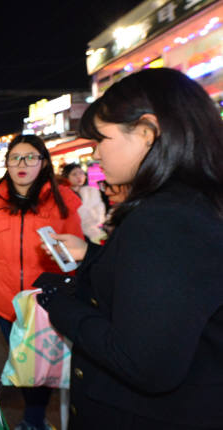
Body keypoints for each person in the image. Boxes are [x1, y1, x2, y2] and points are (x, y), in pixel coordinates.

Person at [37, 68, 223, 429]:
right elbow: (169, 291)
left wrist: (59, 305)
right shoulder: (193, 204)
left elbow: (146, 364)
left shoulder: (167, 219)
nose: (94, 154)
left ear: (146, 133)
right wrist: (92, 255)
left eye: (101, 140)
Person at [0, 134, 82, 430]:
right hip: (4, 302)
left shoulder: (63, 200)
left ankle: (33, 419)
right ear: (6, 163)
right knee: (21, 360)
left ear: (43, 163)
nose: (22, 164)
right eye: (15, 157)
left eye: (31, 157)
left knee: (36, 365)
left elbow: (77, 250)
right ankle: (35, 415)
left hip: (45, 304)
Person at [61, 163, 106, 243]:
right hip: (74, 235)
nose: (79, 177)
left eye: (81, 173)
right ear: (66, 177)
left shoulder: (92, 191)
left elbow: (100, 211)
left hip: (94, 232)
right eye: (74, 174)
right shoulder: (64, 194)